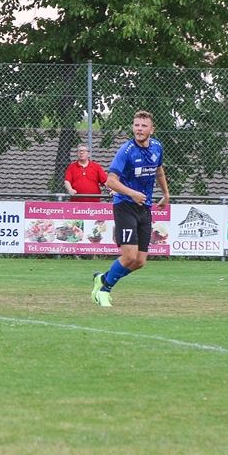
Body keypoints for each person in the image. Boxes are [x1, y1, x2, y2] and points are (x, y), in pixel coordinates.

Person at [91, 110, 169, 307]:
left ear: (152, 129)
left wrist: (166, 194)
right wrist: (131, 193)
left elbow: (159, 170)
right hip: (125, 206)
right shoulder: (126, 151)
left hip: (145, 207)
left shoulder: (157, 147)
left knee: (140, 261)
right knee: (129, 256)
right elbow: (110, 181)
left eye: (143, 126)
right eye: (136, 125)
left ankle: (103, 278)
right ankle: (103, 291)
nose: (139, 129)